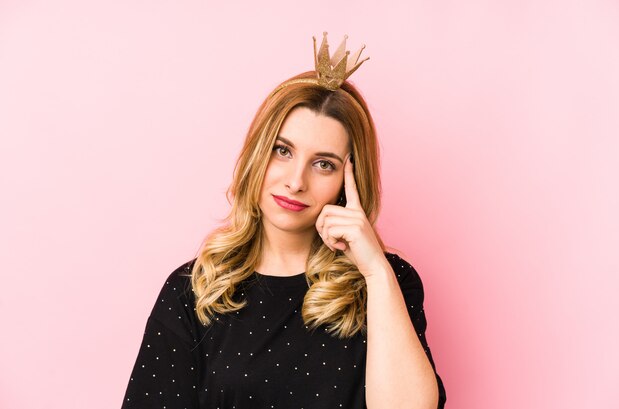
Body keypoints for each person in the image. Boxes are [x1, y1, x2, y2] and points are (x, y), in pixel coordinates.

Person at [121, 32, 446, 409]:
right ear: (258, 153)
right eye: (282, 151)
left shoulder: (389, 281)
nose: (296, 181)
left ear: (348, 181)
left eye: (324, 164)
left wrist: (374, 270)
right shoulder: (192, 290)